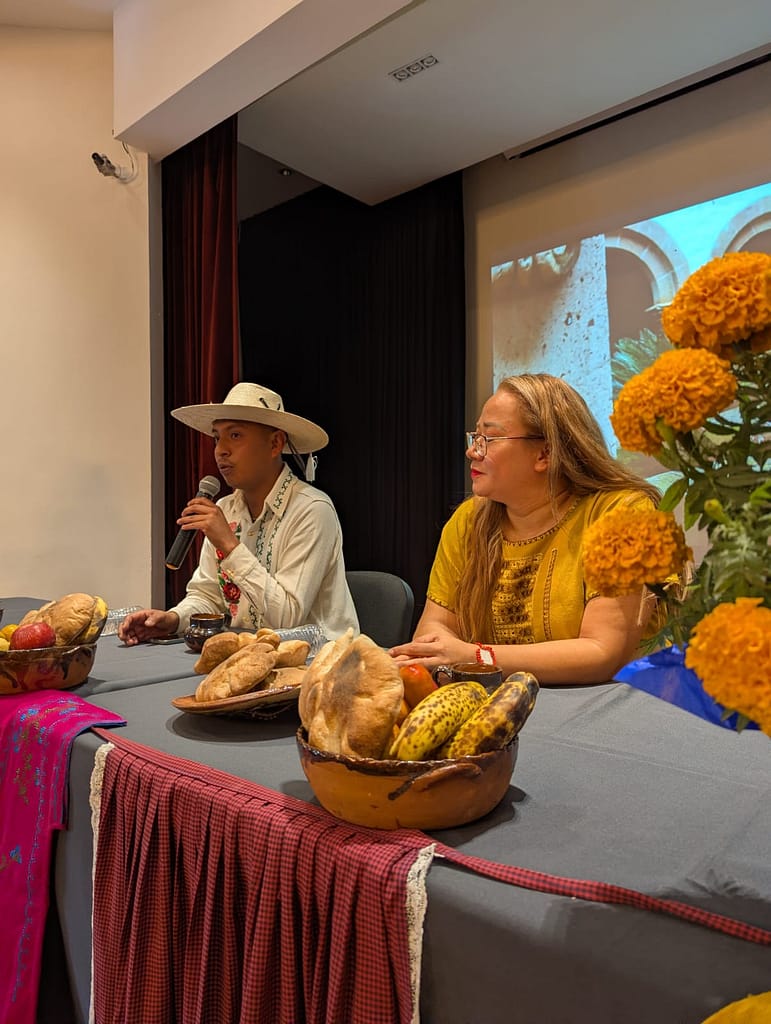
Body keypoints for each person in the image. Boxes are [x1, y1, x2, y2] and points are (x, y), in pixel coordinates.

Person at [389, 373, 660, 685]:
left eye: (488, 439)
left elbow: (602, 652)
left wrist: (476, 657)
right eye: (474, 437)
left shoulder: (622, 514)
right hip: (499, 706)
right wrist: (445, 651)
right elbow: (432, 633)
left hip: (611, 716)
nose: (472, 451)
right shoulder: (468, 520)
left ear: (545, 454)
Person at [119, 382, 359, 645]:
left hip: (318, 668)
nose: (220, 449)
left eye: (235, 435)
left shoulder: (311, 510)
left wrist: (230, 546)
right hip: (251, 659)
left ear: (275, 443)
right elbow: (207, 595)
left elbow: (288, 619)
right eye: (216, 437)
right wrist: (173, 620)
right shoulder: (225, 509)